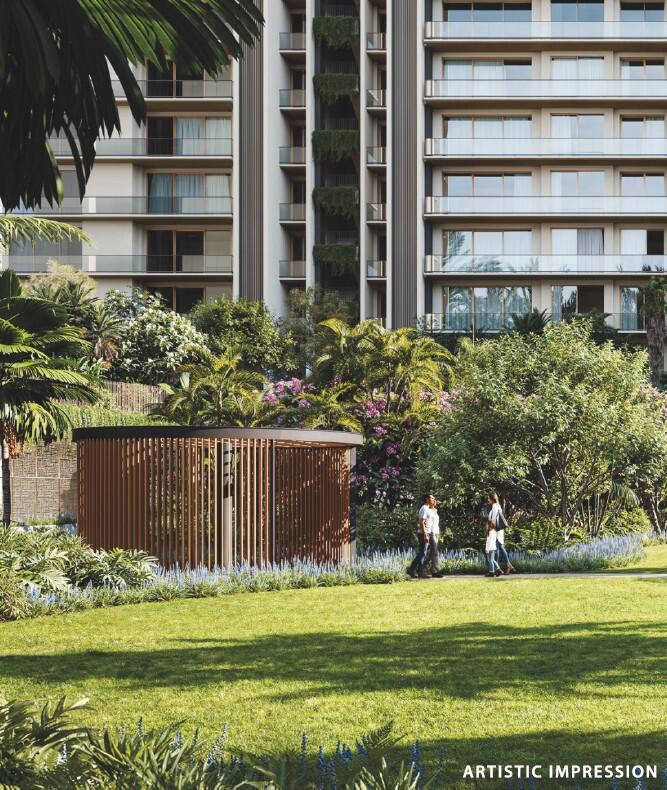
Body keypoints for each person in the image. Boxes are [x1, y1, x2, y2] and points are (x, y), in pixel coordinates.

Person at [408, 493, 440, 578]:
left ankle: (412, 569)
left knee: (422, 553)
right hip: (423, 533)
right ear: (427, 499)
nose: (434, 500)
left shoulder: (428, 509)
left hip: (428, 532)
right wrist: (425, 534)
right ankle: (420, 573)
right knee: (423, 553)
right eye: (432, 498)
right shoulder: (424, 508)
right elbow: (421, 522)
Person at [487, 492, 515, 574]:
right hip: (498, 530)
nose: (488, 500)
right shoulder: (497, 506)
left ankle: (498, 568)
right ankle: (505, 566)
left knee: (497, 548)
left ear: (492, 499)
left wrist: (491, 529)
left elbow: (494, 519)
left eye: (488, 498)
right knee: (499, 548)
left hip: (496, 530)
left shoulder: (495, 506)